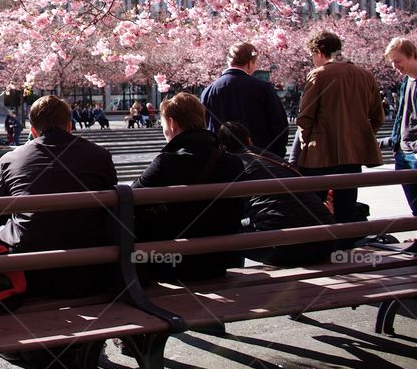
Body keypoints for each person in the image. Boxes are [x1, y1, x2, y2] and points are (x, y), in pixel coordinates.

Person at [0, 96, 118, 297]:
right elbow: (111, 210)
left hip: (29, 273)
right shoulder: (100, 155)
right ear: (69, 125)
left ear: (32, 130)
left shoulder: (9, 160)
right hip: (90, 271)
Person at [132, 92, 245, 280]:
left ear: (172, 123)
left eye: (163, 125)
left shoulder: (166, 163)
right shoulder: (233, 163)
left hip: (170, 263)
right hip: (217, 262)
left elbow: (131, 201)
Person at [217, 122, 336, 266]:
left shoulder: (234, 165)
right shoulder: (273, 159)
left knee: (224, 228)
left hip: (286, 250)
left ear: (221, 147)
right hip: (326, 243)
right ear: (249, 139)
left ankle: (232, 278)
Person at [296, 31, 384, 226]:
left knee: (313, 209)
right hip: (352, 154)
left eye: (313, 56)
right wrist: (360, 137)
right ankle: (344, 248)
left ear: (319, 51)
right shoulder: (365, 75)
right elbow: (377, 117)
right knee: (346, 208)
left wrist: (305, 143)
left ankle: (318, 250)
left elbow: (305, 117)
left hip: (319, 154)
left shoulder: (318, 75)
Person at [199, 42, 290, 157]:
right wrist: (277, 155)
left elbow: (204, 126)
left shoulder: (209, 91)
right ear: (250, 63)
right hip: (260, 157)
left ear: (229, 62)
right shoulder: (262, 88)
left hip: (222, 160)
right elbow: (279, 124)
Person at [382, 37, 417, 215]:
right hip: (403, 150)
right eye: (392, 62)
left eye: (398, 61)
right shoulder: (406, 81)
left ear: (411, 55)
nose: (395, 66)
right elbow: (402, 117)